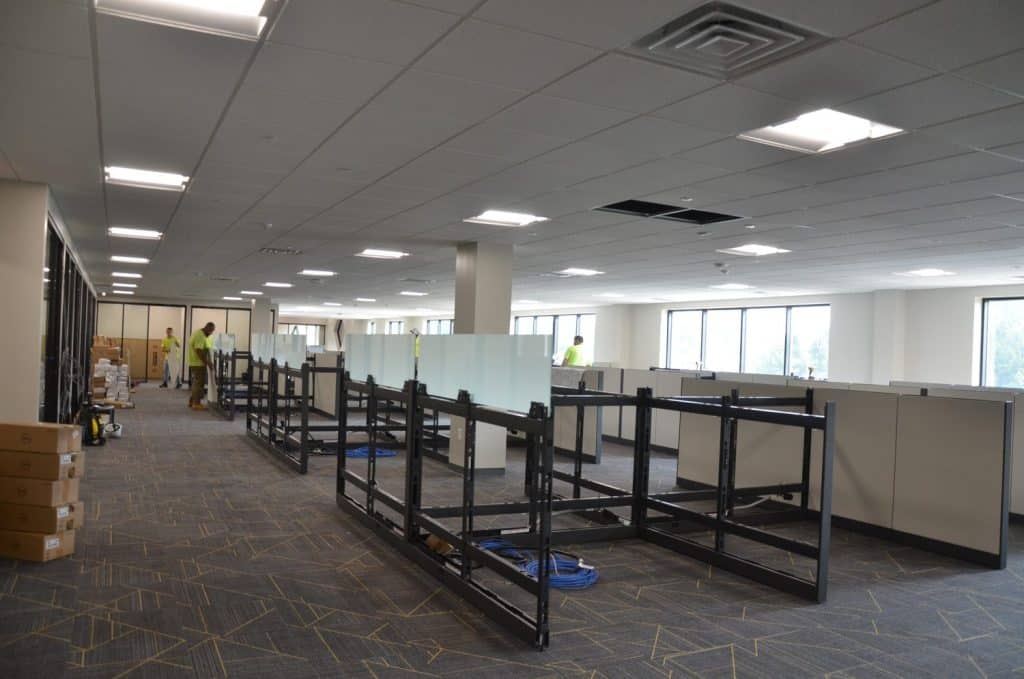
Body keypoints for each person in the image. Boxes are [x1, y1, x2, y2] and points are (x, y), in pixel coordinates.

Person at [187, 322, 216, 409]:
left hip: (194, 362)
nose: (211, 333)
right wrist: (207, 362)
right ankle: (196, 403)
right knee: (199, 384)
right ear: (208, 328)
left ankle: (192, 401)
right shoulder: (200, 335)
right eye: (211, 331)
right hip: (198, 363)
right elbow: (199, 350)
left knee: (196, 383)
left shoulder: (197, 332)